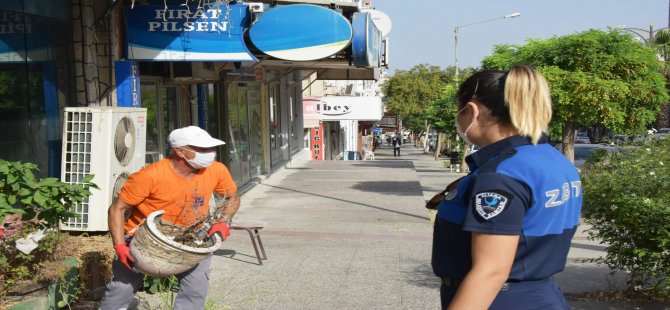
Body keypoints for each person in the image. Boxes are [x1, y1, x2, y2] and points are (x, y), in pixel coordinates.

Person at [431, 65, 581, 309]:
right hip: (542, 294)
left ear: (472, 110)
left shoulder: (500, 175)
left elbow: (490, 272)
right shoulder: (554, 160)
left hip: (500, 300)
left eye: (459, 111)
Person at [99, 126, 240, 310]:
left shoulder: (216, 170)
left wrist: (223, 221)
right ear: (180, 151)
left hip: (192, 238)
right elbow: (117, 209)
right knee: (122, 290)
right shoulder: (149, 176)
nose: (210, 154)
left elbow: (233, 197)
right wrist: (119, 245)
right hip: (143, 239)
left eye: (210, 149)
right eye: (202, 149)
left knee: (195, 289)